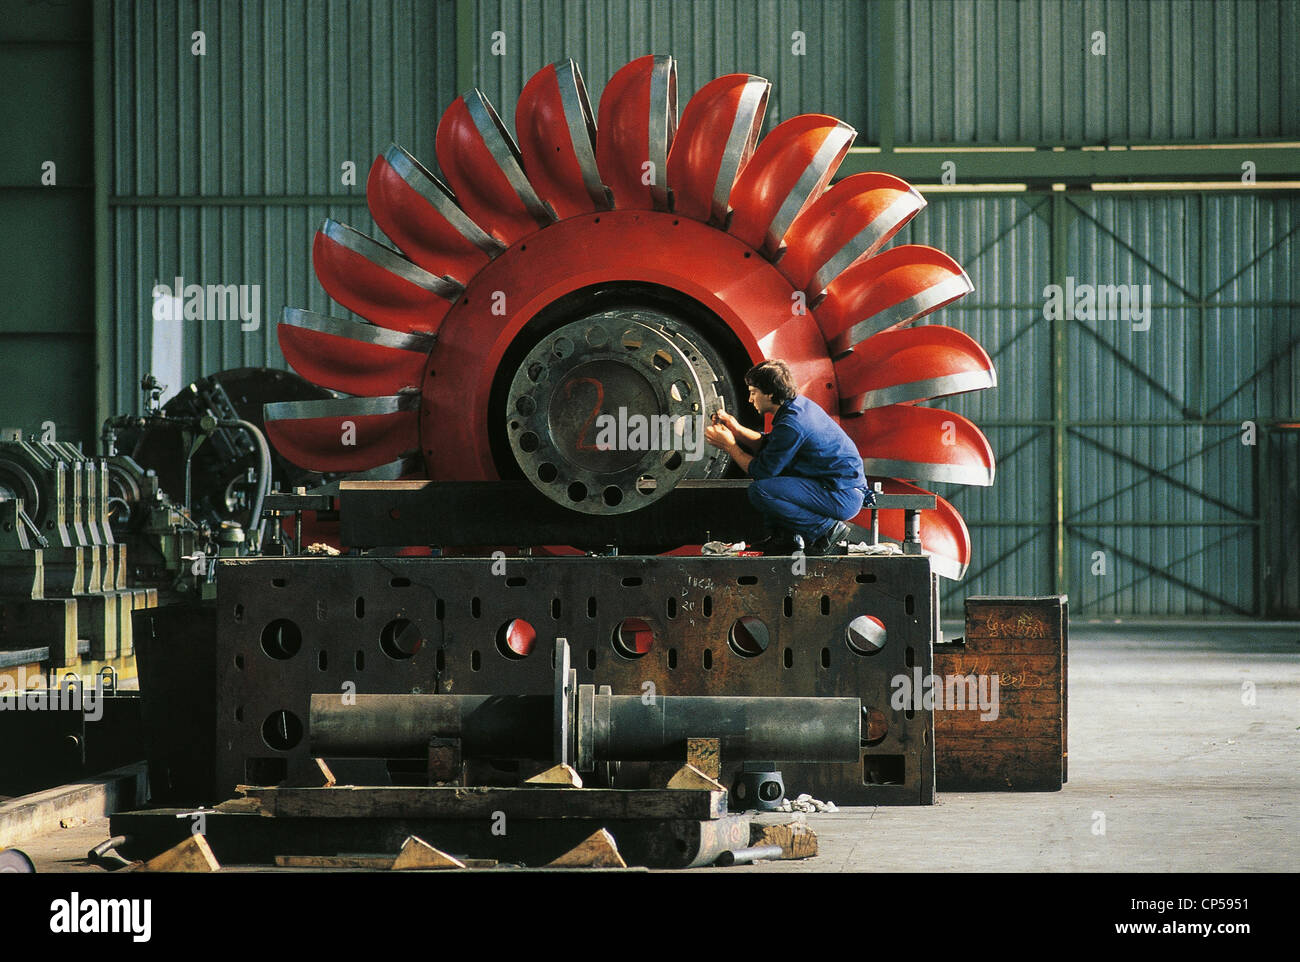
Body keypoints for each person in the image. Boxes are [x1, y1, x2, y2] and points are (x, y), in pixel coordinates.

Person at [704, 359, 873, 555]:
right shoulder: (797, 408)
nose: (750, 400)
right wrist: (736, 428)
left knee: (761, 490)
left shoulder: (792, 424)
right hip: (835, 488)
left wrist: (729, 445)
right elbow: (772, 446)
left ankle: (825, 530)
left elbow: (762, 471)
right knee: (774, 482)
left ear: (769, 393)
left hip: (841, 496)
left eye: (753, 393)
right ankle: (786, 539)